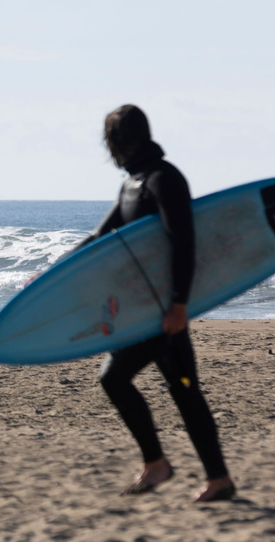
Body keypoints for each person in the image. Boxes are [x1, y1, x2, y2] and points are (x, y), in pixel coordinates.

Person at [79, 105, 235, 502]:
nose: (108, 148)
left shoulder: (164, 180)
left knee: (114, 378)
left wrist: (180, 304)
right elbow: (100, 238)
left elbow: (185, 243)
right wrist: (48, 276)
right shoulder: (134, 183)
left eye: (109, 139)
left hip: (162, 314)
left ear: (118, 139)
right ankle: (216, 478)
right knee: (184, 390)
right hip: (148, 312)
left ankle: (158, 464)